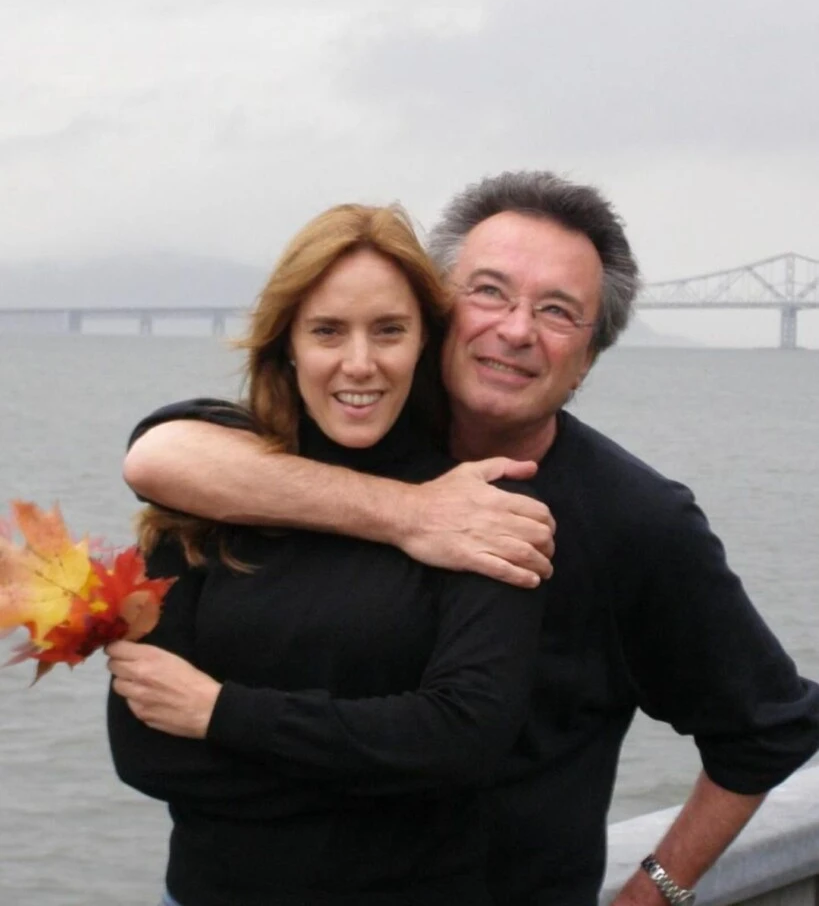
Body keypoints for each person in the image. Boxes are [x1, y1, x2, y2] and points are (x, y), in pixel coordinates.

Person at [123, 171, 819, 906]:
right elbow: (159, 457)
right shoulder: (327, 439)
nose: (516, 330)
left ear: (588, 359)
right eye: (489, 292)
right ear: (438, 311)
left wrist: (656, 891)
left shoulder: (635, 520)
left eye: (557, 312)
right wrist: (409, 514)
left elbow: (767, 729)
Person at [106, 202, 550, 906]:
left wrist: (219, 712)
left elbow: (462, 742)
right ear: (287, 343)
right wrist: (380, 780)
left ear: (425, 342)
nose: (359, 363)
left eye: (389, 330)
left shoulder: (477, 509)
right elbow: (145, 751)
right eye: (327, 331)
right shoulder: (209, 495)